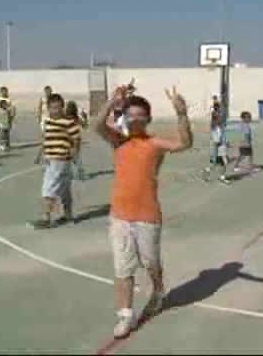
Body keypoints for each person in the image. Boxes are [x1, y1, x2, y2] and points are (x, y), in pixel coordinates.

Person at [94, 84, 193, 339]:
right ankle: (125, 315)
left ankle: (158, 290)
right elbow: (96, 125)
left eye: (141, 115)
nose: (137, 119)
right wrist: (113, 101)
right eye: (132, 115)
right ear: (125, 117)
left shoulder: (154, 143)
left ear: (148, 118)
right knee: (123, 268)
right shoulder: (117, 140)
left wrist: (182, 114)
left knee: (150, 262)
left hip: (148, 215)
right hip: (120, 216)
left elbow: (184, 143)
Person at [33, 94, 81, 229]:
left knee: (49, 188)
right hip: (51, 158)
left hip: (60, 159)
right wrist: (40, 154)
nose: (56, 110)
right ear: (48, 108)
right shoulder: (48, 121)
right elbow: (46, 138)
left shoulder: (69, 122)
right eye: (53, 108)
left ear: (63, 107)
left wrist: (75, 152)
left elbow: (76, 138)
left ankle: (46, 217)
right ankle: (68, 215)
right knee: (65, 189)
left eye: (59, 107)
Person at [202, 102, 231, 185]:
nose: (222, 117)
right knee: (220, 163)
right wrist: (223, 147)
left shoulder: (218, 127)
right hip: (218, 150)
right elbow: (216, 142)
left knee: (218, 164)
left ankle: (209, 172)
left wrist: (225, 142)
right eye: (220, 116)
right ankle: (220, 177)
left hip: (219, 149)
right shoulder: (216, 129)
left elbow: (221, 138)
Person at [65, 100, 85, 180]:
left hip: (68, 138)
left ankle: (71, 174)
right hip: (76, 139)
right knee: (76, 157)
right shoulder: (77, 118)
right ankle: (80, 173)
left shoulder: (65, 117)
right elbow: (85, 125)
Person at [34, 86, 54, 164]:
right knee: (45, 139)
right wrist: (39, 119)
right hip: (44, 120)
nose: (48, 92)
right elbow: (39, 109)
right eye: (46, 91)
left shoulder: (54, 99)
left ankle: (44, 157)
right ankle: (40, 157)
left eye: (49, 91)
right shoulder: (42, 99)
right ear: (45, 92)